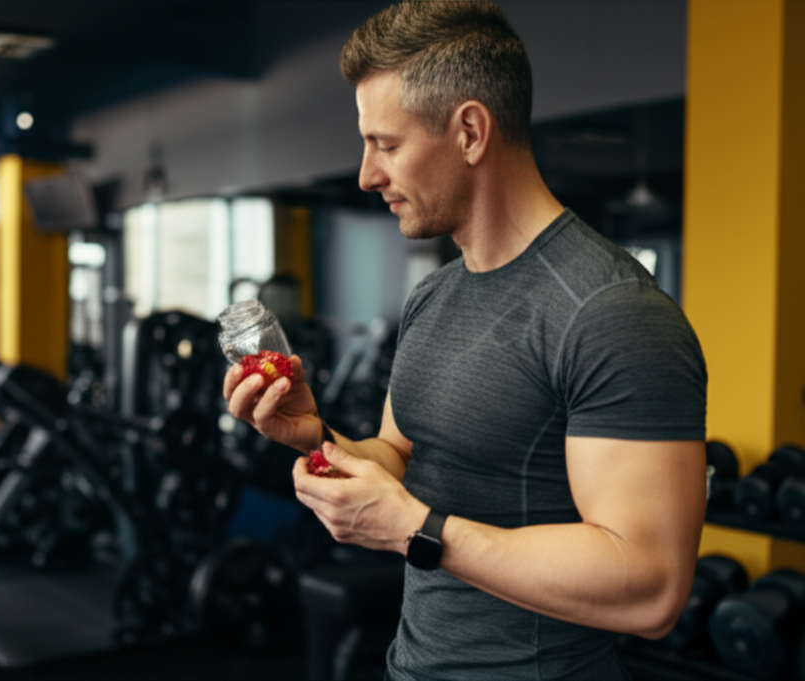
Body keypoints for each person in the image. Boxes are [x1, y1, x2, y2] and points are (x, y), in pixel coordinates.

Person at [223, 1, 707, 678]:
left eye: (386, 145)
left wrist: (417, 532)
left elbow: (652, 585)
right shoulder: (434, 295)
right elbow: (397, 459)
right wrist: (315, 435)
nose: (366, 175)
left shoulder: (611, 311)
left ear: (471, 131)